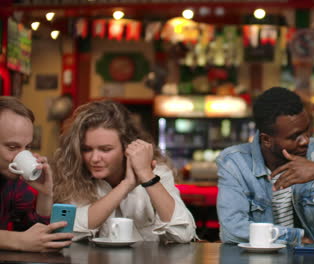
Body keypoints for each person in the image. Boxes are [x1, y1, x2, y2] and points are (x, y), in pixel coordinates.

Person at [216, 87, 314, 246]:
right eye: (294, 137)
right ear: (267, 140)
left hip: (311, 259)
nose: (305, 141)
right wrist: (293, 237)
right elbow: (232, 231)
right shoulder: (235, 163)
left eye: (307, 131)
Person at [53, 100, 196, 243]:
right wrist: (126, 185)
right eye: (87, 149)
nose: (94, 158)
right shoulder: (75, 175)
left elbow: (183, 234)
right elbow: (66, 232)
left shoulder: (158, 172)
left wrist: (147, 176)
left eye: (105, 149)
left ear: (126, 148)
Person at [0, 96, 73, 252]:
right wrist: (17, 240)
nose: (21, 156)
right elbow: (23, 239)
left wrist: (45, 194)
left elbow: (36, 236)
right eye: (12, 147)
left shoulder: (15, 181)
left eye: (27, 147)